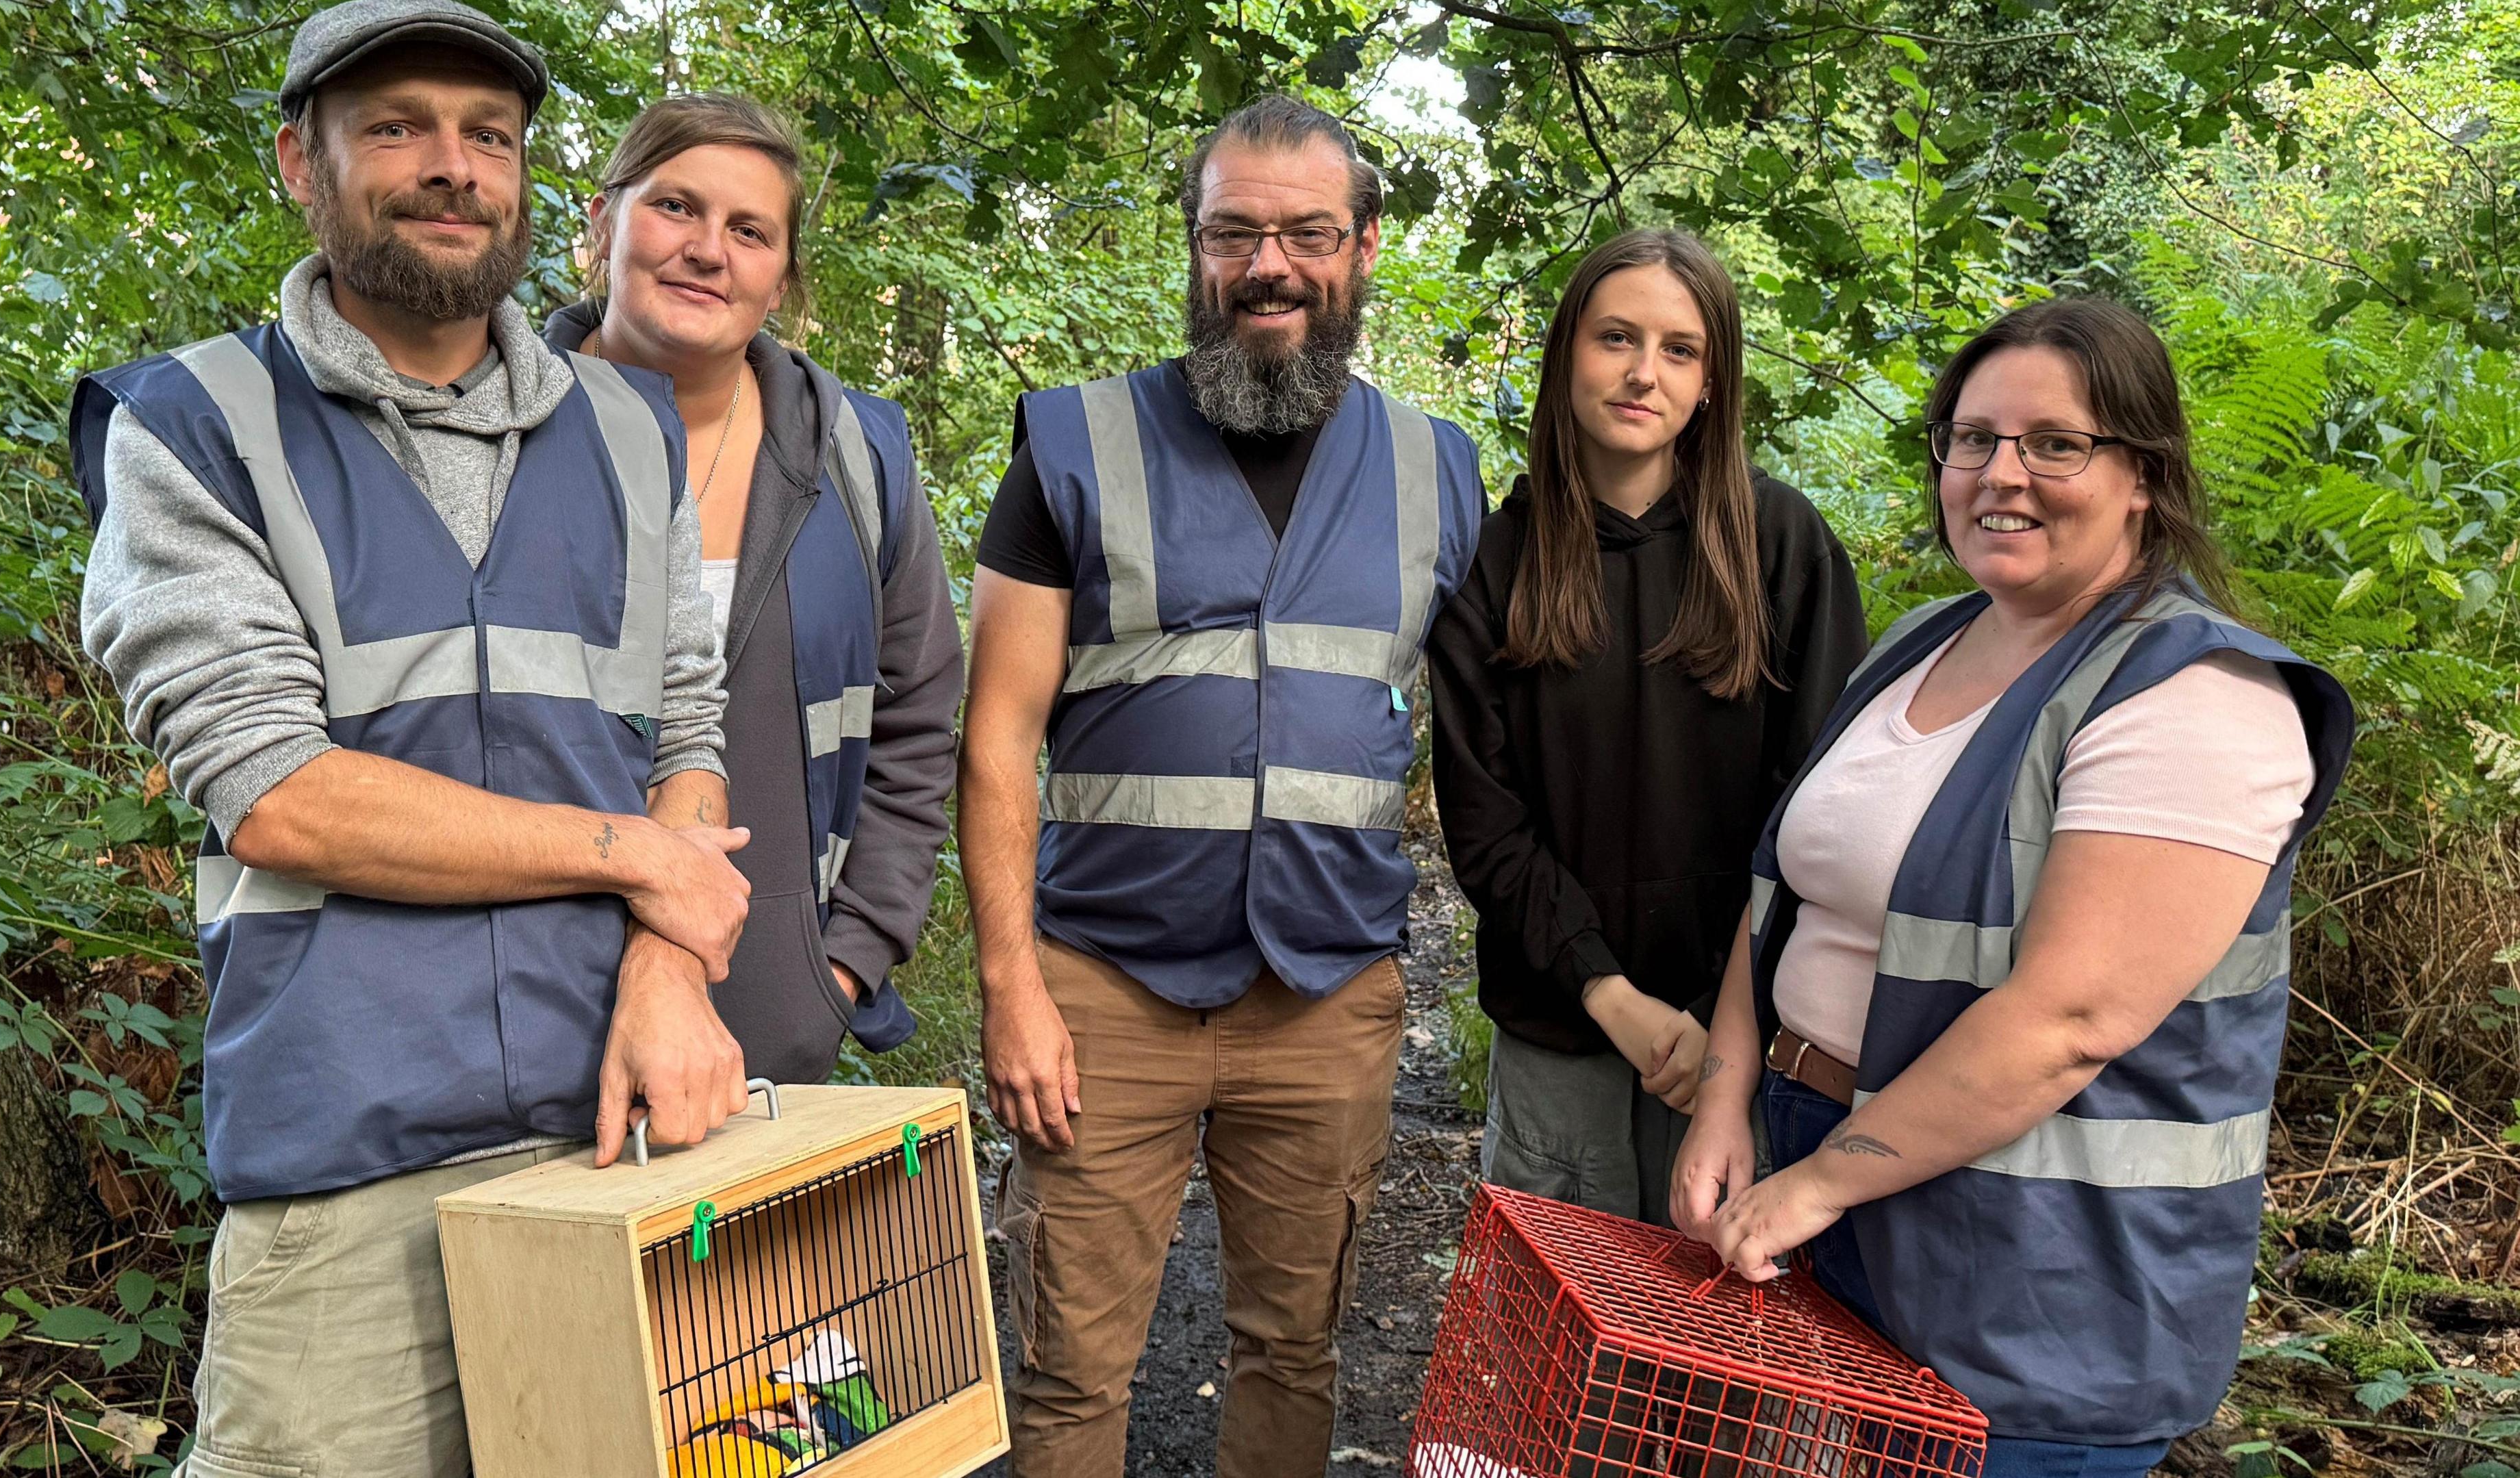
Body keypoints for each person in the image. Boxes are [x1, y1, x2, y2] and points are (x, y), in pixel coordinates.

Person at [70, 5, 752, 1473]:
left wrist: (669, 963)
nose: (452, 167)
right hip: (349, 1178)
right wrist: (639, 857)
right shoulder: (196, 427)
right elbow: (277, 795)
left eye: (487, 136)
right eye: (397, 127)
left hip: (618, 1129)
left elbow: (682, 730)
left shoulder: (632, 428)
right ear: (298, 165)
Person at [1670, 298, 2355, 1478]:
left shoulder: (2200, 698)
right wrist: (1731, 1097)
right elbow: (1787, 893)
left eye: (2056, 443)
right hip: (1825, 1176)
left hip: (2039, 1277)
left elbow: (2071, 1022)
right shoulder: (1926, 639)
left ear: (2144, 473)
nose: (2003, 474)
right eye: (1973, 438)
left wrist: (1822, 1183)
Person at [959, 94, 1486, 1478]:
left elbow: (1510, 727)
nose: (1271, 265)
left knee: (1295, 1349)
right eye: (1235, 232)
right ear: (1191, 249)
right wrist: (1012, 988)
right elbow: (997, 736)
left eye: (1309, 232)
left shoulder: (1440, 473)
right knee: (1071, 1370)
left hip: (1324, 997)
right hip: (1102, 992)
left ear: (1366, 248)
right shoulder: (1074, 446)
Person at [1428, 229, 1864, 1226]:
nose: (1641, 373)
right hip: (1562, 1033)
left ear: (1714, 380)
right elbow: (1487, 828)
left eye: (1679, 349)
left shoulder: (1783, 549)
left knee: (1706, 1361)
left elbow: (1820, 814)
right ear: (1566, 355)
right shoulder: (1497, 563)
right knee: (1552, 1354)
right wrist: (1608, 992)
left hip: (1738, 1045)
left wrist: (1724, 1020)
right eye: (1615, 338)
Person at [546, 94, 961, 1084]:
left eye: (749, 231)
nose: (707, 250)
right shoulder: (496, 435)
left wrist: (844, 965)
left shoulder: (858, 456)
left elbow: (918, 722)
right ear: (603, 225)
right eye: (676, 208)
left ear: (781, 280)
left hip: (773, 1030)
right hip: (529, 1023)